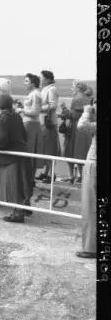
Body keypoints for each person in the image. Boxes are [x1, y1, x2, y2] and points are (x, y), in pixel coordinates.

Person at [0, 94, 34, 223]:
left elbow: (3, 139)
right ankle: (25, 206)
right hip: (22, 152)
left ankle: (18, 213)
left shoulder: (3, 119)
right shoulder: (16, 116)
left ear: (0, 105)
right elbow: (24, 135)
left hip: (11, 157)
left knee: (14, 184)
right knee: (23, 181)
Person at [76, 99, 96, 258]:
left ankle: (90, 248)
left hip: (94, 163)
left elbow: (82, 125)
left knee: (90, 207)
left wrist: (87, 111)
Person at [62, 81, 93, 184]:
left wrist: (64, 110)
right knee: (82, 152)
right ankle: (81, 176)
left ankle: (72, 176)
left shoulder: (76, 99)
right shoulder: (88, 99)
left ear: (78, 89)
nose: (72, 89)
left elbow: (74, 116)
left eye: (73, 87)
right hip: (86, 130)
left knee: (70, 151)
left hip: (76, 129)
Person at [15, 73, 44, 175]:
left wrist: (21, 110)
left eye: (27, 81)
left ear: (33, 83)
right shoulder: (34, 93)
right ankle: (29, 177)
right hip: (30, 124)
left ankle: (28, 177)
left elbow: (35, 112)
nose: (25, 83)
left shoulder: (35, 94)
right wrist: (23, 107)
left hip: (31, 125)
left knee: (29, 150)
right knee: (30, 150)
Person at [37, 70, 61, 183]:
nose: (40, 79)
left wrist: (38, 109)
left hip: (48, 123)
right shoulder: (47, 89)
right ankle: (45, 172)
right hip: (44, 122)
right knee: (46, 147)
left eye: (41, 77)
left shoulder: (51, 89)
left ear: (47, 79)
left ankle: (52, 175)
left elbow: (53, 105)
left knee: (50, 148)